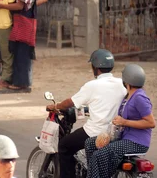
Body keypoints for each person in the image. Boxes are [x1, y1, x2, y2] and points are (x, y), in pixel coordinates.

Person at [46, 49, 127, 178]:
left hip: (95, 132)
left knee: (64, 146)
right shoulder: (122, 83)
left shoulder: (92, 85)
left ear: (95, 67)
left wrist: (56, 106)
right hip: (116, 132)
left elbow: (70, 102)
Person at [85, 64, 155, 178]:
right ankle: (94, 174)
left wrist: (124, 122)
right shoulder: (128, 96)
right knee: (90, 144)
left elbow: (151, 123)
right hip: (125, 138)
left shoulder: (139, 98)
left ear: (126, 81)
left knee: (99, 155)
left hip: (137, 142)